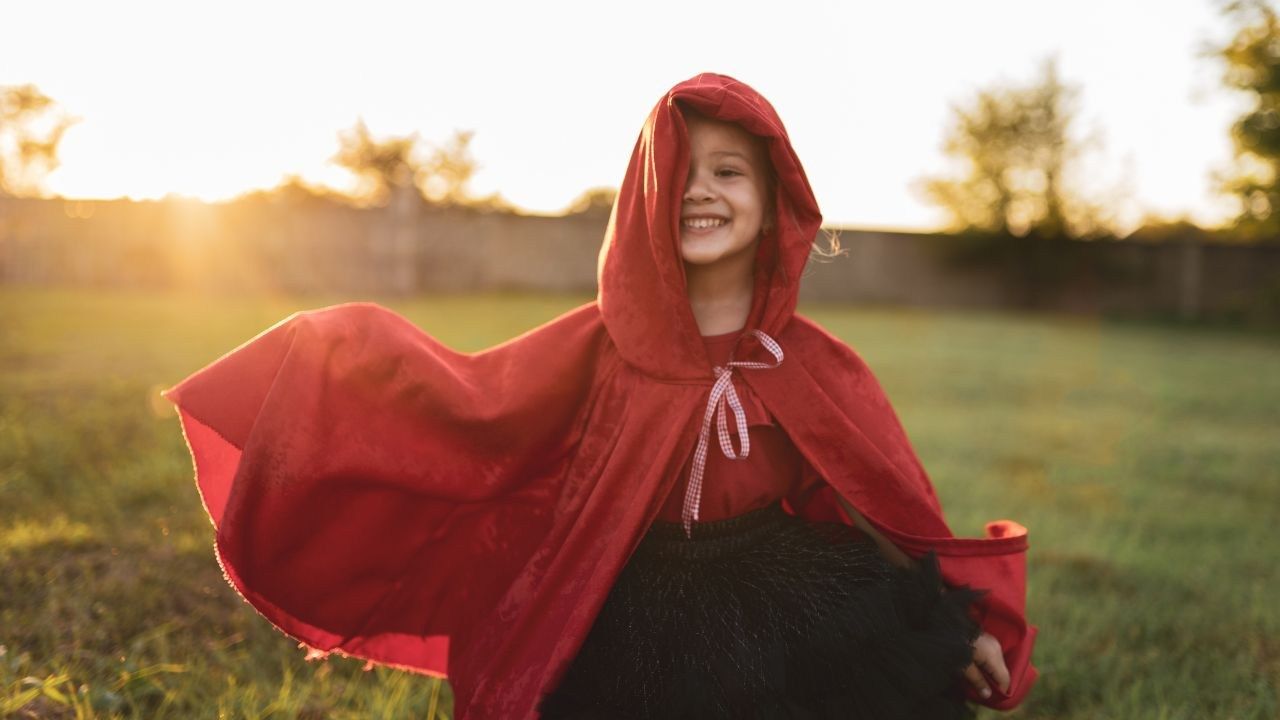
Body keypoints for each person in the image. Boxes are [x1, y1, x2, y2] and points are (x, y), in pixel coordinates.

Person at [162, 73, 1036, 719]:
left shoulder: (810, 362)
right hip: (637, 611)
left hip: (795, 599)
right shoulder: (600, 347)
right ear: (649, 198)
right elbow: (474, 408)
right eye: (683, 171)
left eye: (731, 173)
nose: (702, 189)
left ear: (776, 206)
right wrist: (335, 352)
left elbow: (884, 509)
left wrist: (967, 627)